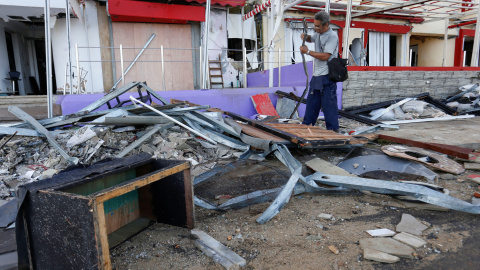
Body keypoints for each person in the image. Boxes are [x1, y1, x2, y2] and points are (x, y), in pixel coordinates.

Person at [299, 11, 339, 131]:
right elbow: (312, 39)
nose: (315, 28)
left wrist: (308, 52)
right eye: (314, 25)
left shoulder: (332, 36)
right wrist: (306, 37)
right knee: (312, 105)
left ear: (326, 25)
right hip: (317, 76)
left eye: (318, 26)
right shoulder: (319, 33)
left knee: (329, 107)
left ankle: (333, 133)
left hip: (327, 76)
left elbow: (326, 56)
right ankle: (306, 128)